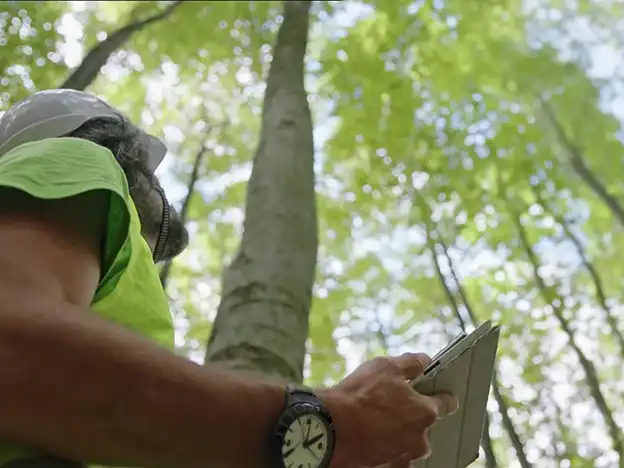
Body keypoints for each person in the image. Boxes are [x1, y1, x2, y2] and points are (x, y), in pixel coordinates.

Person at [0, 90, 457, 468]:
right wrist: (325, 422)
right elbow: (13, 352)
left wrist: (333, 433)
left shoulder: (109, 257)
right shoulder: (73, 157)